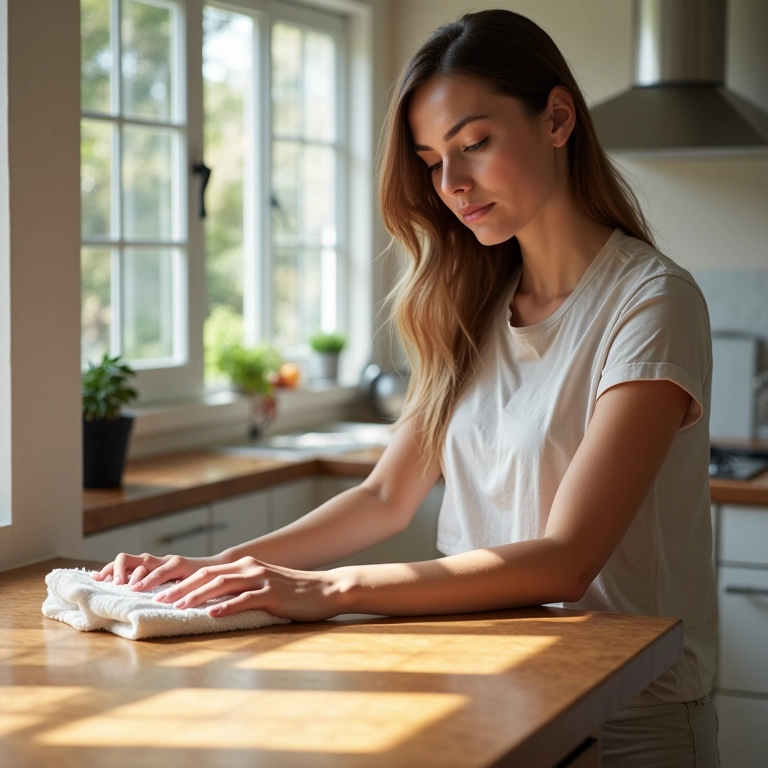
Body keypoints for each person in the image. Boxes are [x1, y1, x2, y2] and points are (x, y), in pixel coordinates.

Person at [94, 9, 719, 767]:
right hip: (490, 691)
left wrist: (325, 591)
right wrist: (225, 570)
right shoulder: (472, 304)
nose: (451, 184)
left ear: (557, 119)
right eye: (430, 160)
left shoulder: (652, 303)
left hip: (628, 716)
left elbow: (565, 559)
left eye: (474, 143)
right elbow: (384, 497)